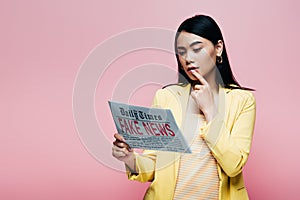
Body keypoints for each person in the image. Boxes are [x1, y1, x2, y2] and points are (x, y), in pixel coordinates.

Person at [112, 14, 256, 200]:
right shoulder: (166, 97)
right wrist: (129, 158)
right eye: (181, 51)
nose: (188, 58)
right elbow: (156, 164)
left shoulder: (242, 100)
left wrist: (211, 112)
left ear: (218, 48)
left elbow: (234, 165)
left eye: (197, 49)